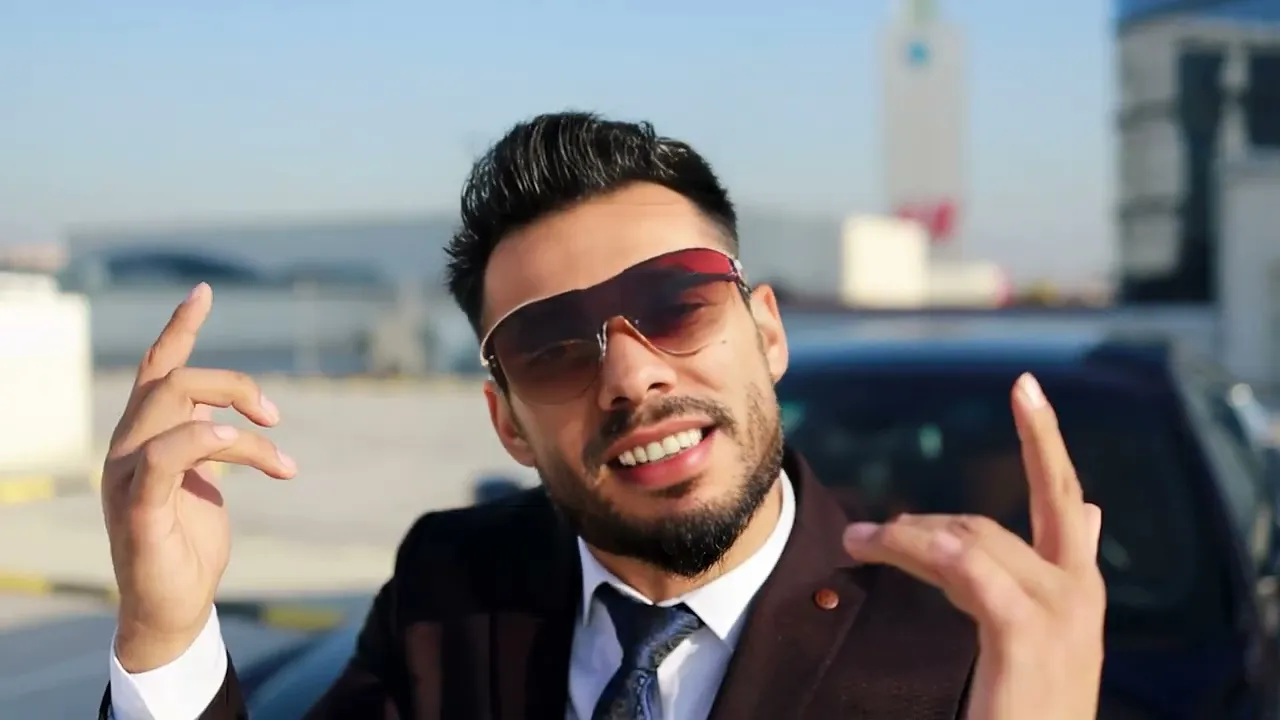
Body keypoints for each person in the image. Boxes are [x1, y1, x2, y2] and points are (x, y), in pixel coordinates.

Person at [98, 112, 1106, 719]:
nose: (628, 374)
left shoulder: (966, 646)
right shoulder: (450, 590)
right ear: (507, 424)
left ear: (765, 331)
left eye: (676, 301)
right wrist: (164, 630)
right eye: (550, 345)